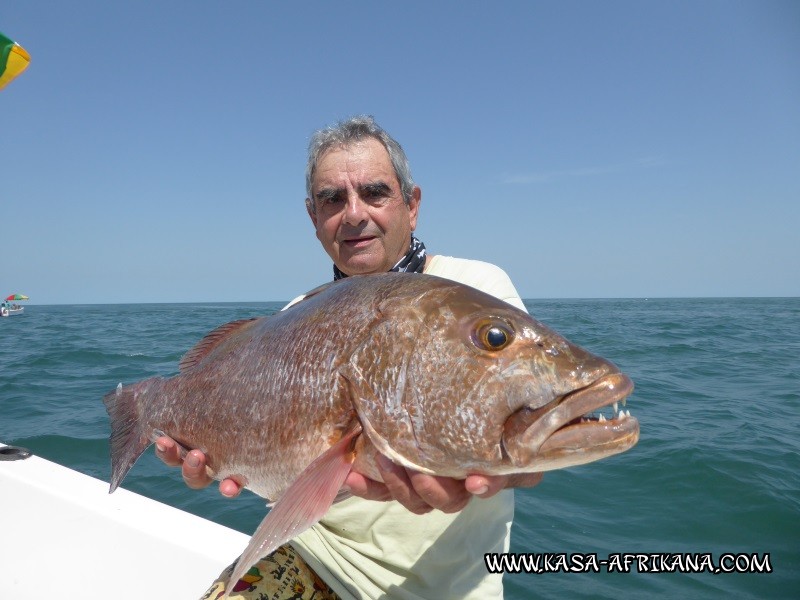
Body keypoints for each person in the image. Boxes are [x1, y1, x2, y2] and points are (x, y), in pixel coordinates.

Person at [157, 116, 542, 599]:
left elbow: (525, 418)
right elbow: (276, 469)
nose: (354, 214)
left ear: (412, 205)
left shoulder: (476, 294)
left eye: (375, 192)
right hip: (311, 559)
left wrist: (514, 464)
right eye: (332, 199)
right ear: (313, 217)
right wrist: (211, 457)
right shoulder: (294, 317)